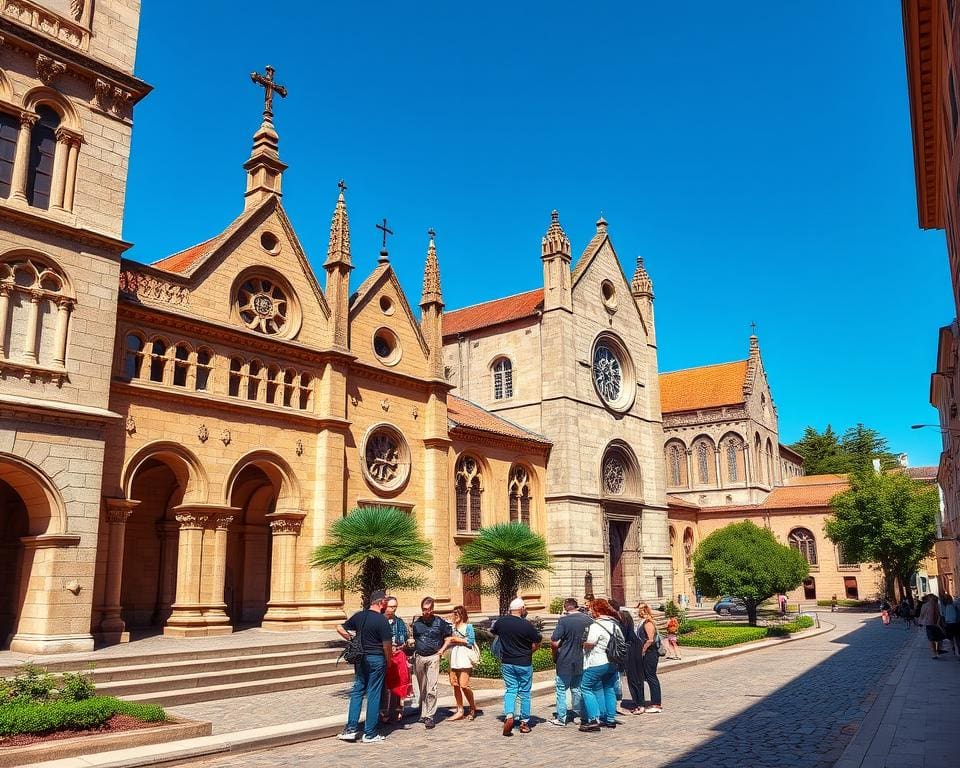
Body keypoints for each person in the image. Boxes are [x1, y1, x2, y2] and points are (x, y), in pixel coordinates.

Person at [336, 590, 393, 744]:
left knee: (358, 690)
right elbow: (387, 646)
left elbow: (339, 628)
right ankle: (370, 733)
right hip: (377, 659)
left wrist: (352, 639)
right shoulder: (382, 621)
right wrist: (389, 661)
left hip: (361, 659)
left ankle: (351, 729)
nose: (387, 604)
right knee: (374, 694)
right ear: (381, 603)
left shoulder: (359, 616)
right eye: (386, 601)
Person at [492, 597, 542, 736]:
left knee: (511, 690)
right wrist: (531, 650)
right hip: (524, 662)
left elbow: (494, 632)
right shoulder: (526, 625)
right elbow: (538, 640)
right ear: (522, 609)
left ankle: (509, 715)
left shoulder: (501, 622)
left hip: (507, 661)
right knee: (524, 692)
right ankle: (524, 723)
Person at [579, 597, 620, 732]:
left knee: (585, 687)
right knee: (609, 688)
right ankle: (610, 719)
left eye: (591, 609)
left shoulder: (596, 626)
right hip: (612, 661)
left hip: (598, 661)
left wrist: (582, 644)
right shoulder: (614, 624)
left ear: (596, 610)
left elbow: (591, 643)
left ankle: (593, 719)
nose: (590, 611)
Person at [549, 597, 592, 726]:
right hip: (581, 658)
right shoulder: (588, 620)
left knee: (561, 689)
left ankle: (562, 718)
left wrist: (554, 654)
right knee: (577, 687)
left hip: (565, 658)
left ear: (566, 607)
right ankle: (579, 715)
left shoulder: (564, 621)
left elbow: (554, 642)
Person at [411, 596, 453, 729]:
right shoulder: (417, 623)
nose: (426, 612)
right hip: (419, 657)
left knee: (432, 687)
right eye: (424, 609)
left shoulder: (440, 622)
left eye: (429, 609)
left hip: (433, 657)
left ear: (433, 609)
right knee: (422, 687)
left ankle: (430, 716)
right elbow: (414, 639)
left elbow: (448, 637)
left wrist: (442, 650)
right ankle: (423, 713)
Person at [380, 595, 411, 724]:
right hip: (382, 656)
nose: (394, 609)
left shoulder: (399, 622)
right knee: (385, 685)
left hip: (397, 655)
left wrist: (402, 644)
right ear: (385, 606)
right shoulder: (379, 621)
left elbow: (405, 636)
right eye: (391, 607)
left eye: (395, 607)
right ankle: (383, 711)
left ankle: (397, 709)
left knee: (398, 682)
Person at [446, 605, 479, 721]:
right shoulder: (452, 627)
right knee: (455, 684)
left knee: (464, 685)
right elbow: (449, 641)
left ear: (462, 614)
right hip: (454, 657)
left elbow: (470, 641)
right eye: (454, 613)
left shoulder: (468, 627)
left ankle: (472, 707)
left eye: (457, 613)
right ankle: (460, 709)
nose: (455, 615)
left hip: (464, 657)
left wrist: (456, 639)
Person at [634, 601, 662, 714]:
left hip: (650, 653)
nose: (637, 612)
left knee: (651, 677)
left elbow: (650, 639)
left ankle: (656, 703)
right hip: (647, 652)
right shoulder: (643, 622)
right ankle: (653, 702)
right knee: (647, 676)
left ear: (643, 611)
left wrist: (642, 650)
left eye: (638, 610)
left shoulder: (648, 623)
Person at [919, 593, 943, 659]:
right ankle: (936, 651)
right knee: (938, 638)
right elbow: (940, 614)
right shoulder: (936, 605)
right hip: (935, 624)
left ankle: (934, 653)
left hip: (929, 624)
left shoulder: (926, 605)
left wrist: (920, 623)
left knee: (932, 639)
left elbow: (922, 614)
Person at [944, 594, 960, 659]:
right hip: (955, 623)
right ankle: (957, 650)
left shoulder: (945, 606)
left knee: (952, 638)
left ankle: (955, 648)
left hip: (950, 624)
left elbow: (943, 615)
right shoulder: (955, 605)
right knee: (956, 638)